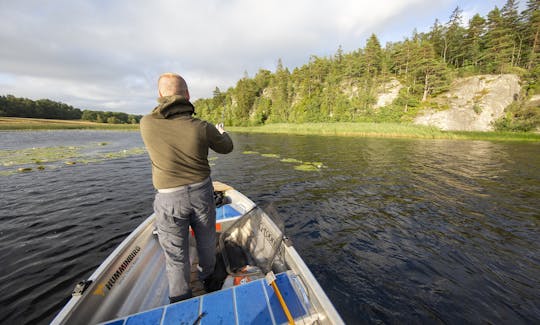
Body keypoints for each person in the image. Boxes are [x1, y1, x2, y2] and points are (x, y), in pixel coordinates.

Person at [140, 72, 233, 303]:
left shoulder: (147, 124)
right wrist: (221, 132)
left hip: (169, 200)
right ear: (188, 95)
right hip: (202, 194)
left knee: (175, 255)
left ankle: (180, 299)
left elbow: (161, 112)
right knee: (206, 241)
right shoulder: (201, 126)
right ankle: (209, 279)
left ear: (159, 96)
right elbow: (227, 147)